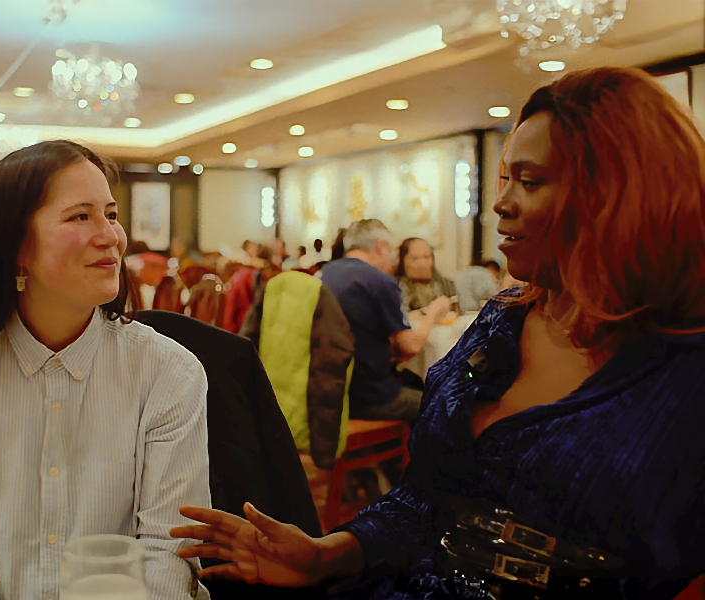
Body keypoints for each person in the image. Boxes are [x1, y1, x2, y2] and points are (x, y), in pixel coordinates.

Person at [169, 67, 705, 599]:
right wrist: (323, 554)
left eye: (530, 181)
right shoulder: (502, 322)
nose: (501, 203)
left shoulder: (682, 374)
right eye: (505, 179)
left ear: (619, 196)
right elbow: (423, 500)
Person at [0, 141, 210, 599]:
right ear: (15, 244)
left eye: (110, 214)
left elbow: (168, 556)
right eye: (80, 216)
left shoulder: (167, 373)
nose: (111, 236)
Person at [319, 219, 449, 425]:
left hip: (327, 390)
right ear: (381, 246)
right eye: (391, 251)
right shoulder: (379, 280)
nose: (392, 260)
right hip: (368, 396)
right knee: (440, 405)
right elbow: (411, 346)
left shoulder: (324, 274)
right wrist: (434, 313)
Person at [396, 238, 459, 322]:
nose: (422, 264)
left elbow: (456, 314)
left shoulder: (446, 285)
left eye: (426, 257)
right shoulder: (394, 288)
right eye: (414, 258)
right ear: (402, 261)